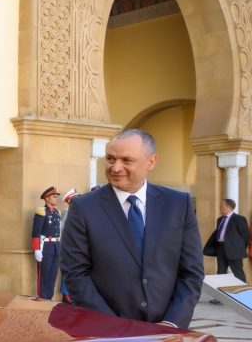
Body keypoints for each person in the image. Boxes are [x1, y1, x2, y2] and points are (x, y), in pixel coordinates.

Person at [61, 128, 203, 329]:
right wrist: (111, 325)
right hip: (106, 335)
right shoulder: (84, 208)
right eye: (110, 159)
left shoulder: (178, 205)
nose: (116, 167)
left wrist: (172, 322)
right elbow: (75, 273)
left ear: (151, 162)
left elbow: (191, 272)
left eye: (127, 160)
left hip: (167, 334)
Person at [203, 198, 248, 282]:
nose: (220, 207)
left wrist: (239, 248)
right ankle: (221, 292)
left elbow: (246, 236)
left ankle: (243, 292)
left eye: (222, 206)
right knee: (221, 272)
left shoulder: (239, 219)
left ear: (228, 207)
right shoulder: (219, 220)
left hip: (234, 251)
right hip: (221, 249)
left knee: (238, 273)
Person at [31, 185, 61, 300]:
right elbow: (36, 232)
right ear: (47, 198)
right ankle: (42, 297)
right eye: (54, 197)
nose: (56, 199)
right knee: (44, 274)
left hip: (56, 247)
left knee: (53, 275)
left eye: (56, 196)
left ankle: (49, 297)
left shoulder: (57, 212)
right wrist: (37, 249)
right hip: (45, 247)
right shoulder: (41, 211)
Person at [58, 187, 77, 303]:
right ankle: (65, 294)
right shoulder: (66, 214)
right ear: (70, 201)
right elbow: (61, 232)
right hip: (67, 246)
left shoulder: (77, 214)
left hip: (76, 247)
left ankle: (71, 293)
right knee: (67, 270)